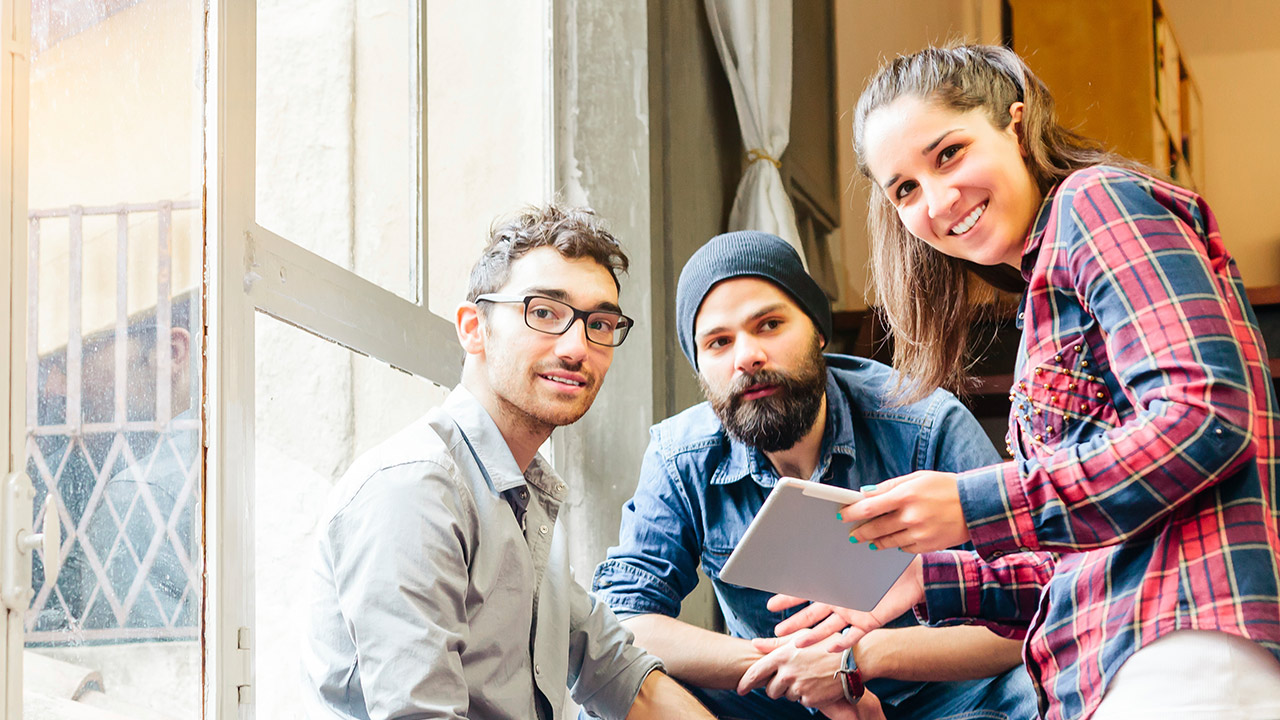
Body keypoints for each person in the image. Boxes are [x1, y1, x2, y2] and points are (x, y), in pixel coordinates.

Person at [773, 45, 1280, 720]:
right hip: (1123, 666)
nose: (937, 200)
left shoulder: (1093, 204)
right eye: (905, 189)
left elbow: (1204, 418)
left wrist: (970, 502)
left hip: (1184, 647)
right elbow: (1075, 560)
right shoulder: (1039, 298)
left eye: (948, 152)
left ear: (1015, 124)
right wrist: (925, 574)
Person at [591, 230, 1037, 720]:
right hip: (779, 695)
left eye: (769, 325)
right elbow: (625, 619)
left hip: (938, 696)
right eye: (718, 342)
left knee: (1036, 685)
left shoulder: (925, 424)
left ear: (818, 332)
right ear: (700, 367)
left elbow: (1034, 604)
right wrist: (793, 668)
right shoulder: (682, 455)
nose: (746, 358)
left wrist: (854, 664)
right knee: (618, 689)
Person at [302, 205, 715, 719]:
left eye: (601, 324)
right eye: (544, 312)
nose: (576, 347)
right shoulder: (417, 488)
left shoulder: (525, 495)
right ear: (473, 328)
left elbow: (619, 674)